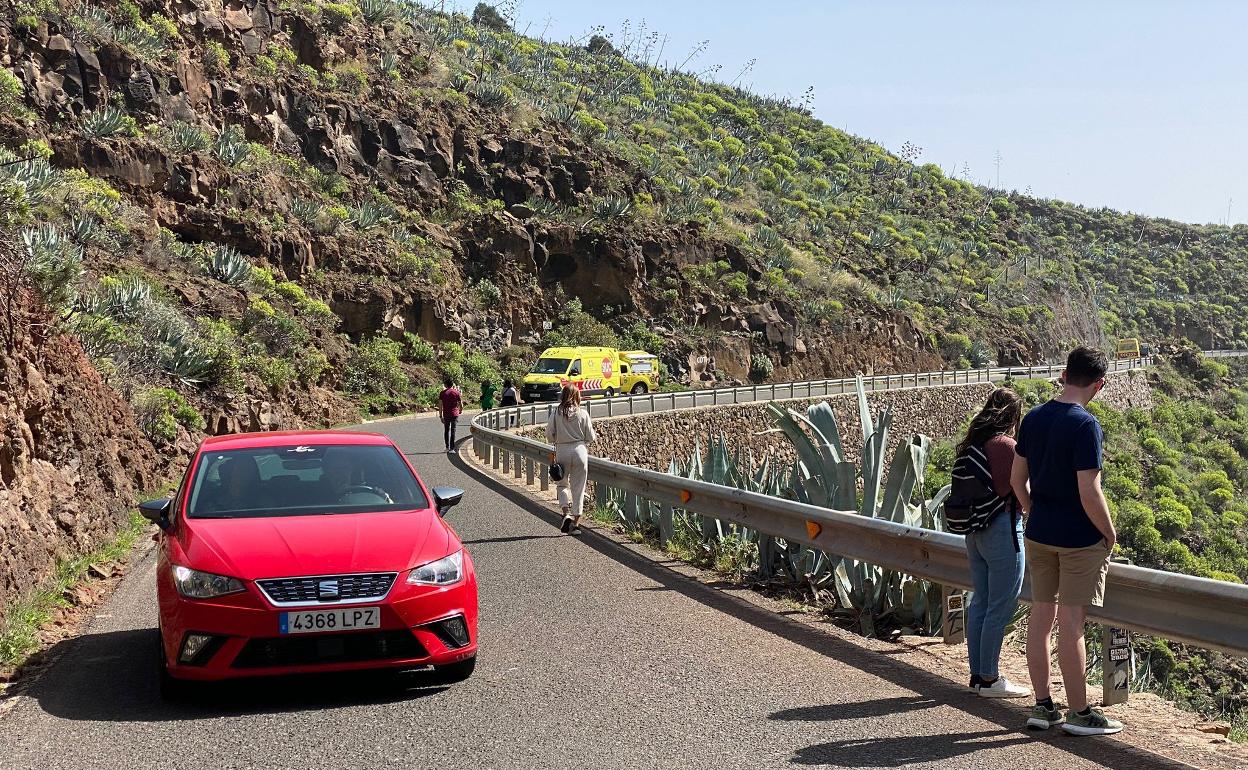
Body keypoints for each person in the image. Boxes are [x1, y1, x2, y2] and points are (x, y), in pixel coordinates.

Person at [1012, 346, 1123, 736]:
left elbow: (1016, 480)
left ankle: (1043, 707)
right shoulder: (1085, 424)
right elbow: (1089, 491)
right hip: (1078, 539)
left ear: (1063, 373)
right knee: (1072, 623)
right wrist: (1108, 533)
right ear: (1100, 384)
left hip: (1039, 534)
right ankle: (1079, 712)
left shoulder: (1034, 418)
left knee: (1040, 619)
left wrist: (1031, 512)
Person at [955, 388, 1029, 698]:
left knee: (982, 602)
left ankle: (977, 676)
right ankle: (989, 679)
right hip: (1003, 530)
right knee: (1000, 606)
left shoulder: (973, 445)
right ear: (1013, 416)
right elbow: (1021, 485)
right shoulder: (1007, 446)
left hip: (975, 531)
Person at [545, 384, 595, 534]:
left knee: (562, 484)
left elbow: (549, 435)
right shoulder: (583, 413)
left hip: (562, 450)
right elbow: (590, 437)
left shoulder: (556, 413)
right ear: (577, 396)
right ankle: (576, 524)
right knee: (578, 488)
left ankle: (566, 513)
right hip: (580, 451)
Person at [438, 376, 463, 454]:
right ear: (452, 384)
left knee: (446, 430)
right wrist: (460, 410)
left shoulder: (442, 393)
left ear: (445, 385)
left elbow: (440, 405)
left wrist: (440, 416)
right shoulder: (456, 392)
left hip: (446, 414)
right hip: (454, 413)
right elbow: (460, 403)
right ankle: (452, 448)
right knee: (453, 430)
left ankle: (447, 447)